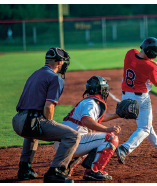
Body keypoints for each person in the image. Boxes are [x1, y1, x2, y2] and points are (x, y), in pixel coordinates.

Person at [12, 47, 81, 183]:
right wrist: (49, 123)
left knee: (33, 132)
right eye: (64, 62)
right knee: (73, 135)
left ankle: (24, 170)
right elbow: (49, 106)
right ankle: (55, 173)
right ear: (59, 62)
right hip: (30, 122)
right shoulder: (56, 79)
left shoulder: (35, 74)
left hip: (17, 121)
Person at [116, 37, 157, 165]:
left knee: (146, 125)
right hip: (141, 99)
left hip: (126, 97)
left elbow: (150, 62)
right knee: (144, 128)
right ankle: (125, 148)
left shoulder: (130, 53)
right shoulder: (149, 67)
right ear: (151, 53)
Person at [54, 76, 121, 181]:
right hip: (73, 144)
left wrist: (117, 115)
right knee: (110, 138)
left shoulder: (87, 102)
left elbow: (95, 118)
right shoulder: (92, 103)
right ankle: (93, 171)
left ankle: (66, 167)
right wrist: (107, 129)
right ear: (102, 90)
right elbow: (87, 121)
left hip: (63, 143)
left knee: (91, 139)